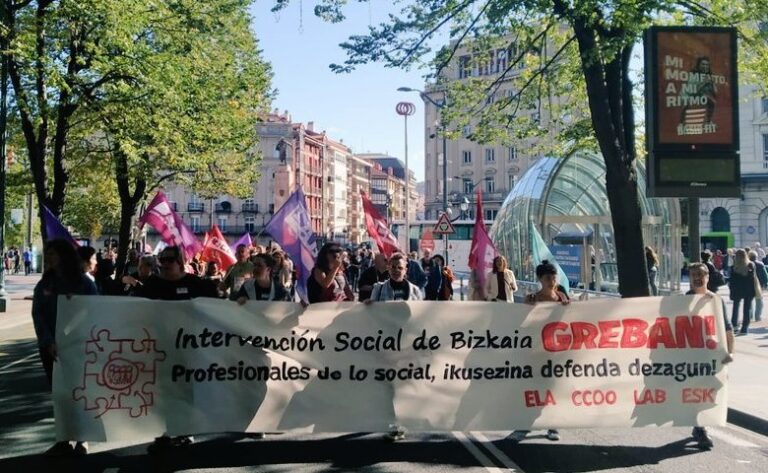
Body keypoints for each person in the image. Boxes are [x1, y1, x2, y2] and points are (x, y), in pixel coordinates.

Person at [134, 246, 217, 452]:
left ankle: (184, 431)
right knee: (161, 391)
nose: (164, 264)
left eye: (169, 260)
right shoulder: (152, 284)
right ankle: (163, 432)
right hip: (159, 347)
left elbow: (217, 306)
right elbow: (133, 306)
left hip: (188, 349)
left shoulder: (195, 284)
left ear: (179, 262)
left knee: (185, 391)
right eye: (162, 260)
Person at [32, 239, 98, 456]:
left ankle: (82, 438)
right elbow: (38, 313)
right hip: (51, 348)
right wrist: (48, 341)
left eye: (52, 254)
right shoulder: (45, 283)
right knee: (59, 394)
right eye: (47, 254)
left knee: (79, 392)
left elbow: (93, 310)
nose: (49, 258)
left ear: (64, 256)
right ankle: (63, 438)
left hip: (78, 347)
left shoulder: (83, 283)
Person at [364, 253, 423, 441]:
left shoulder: (415, 291)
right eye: (394, 266)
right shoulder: (379, 289)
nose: (397, 270)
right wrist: (368, 306)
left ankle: (402, 421)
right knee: (389, 386)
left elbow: (420, 318)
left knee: (403, 386)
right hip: (386, 345)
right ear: (388, 267)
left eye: (400, 267)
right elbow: (371, 315)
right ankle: (394, 423)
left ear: (406, 270)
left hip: (406, 346)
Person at [510, 260, 568, 444]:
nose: (551, 281)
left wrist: (568, 308)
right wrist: (527, 309)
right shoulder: (533, 299)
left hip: (556, 352)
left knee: (552, 390)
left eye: (553, 277)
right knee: (533, 389)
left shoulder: (562, 298)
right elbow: (523, 324)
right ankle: (525, 424)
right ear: (540, 279)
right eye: (547, 277)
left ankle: (552, 425)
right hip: (536, 351)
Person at [686, 263, 735, 449]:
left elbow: (728, 329)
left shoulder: (716, 300)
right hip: (690, 357)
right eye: (693, 275)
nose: (697, 278)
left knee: (711, 391)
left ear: (707, 277)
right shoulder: (681, 301)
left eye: (700, 274)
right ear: (689, 278)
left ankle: (700, 425)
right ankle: (700, 427)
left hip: (712, 355)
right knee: (696, 392)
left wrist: (730, 352)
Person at [728, 249, 757, 335]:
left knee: (735, 307)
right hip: (748, 290)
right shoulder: (750, 265)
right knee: (747, 309)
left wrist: (731, 289)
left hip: (737, 290)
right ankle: (744, 328)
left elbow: (732, 280)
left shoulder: (734, 267)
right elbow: (752, 278)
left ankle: (734, 326)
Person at [748, 251, 768, 322]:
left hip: (749, 284)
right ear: (756, 257)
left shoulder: (747, 264)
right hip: (759, 285)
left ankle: (749, 316)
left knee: (749, 301)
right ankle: (758, 316)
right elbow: (765, 276)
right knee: (759, 301)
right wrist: (765, 284)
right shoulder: (760, 264)